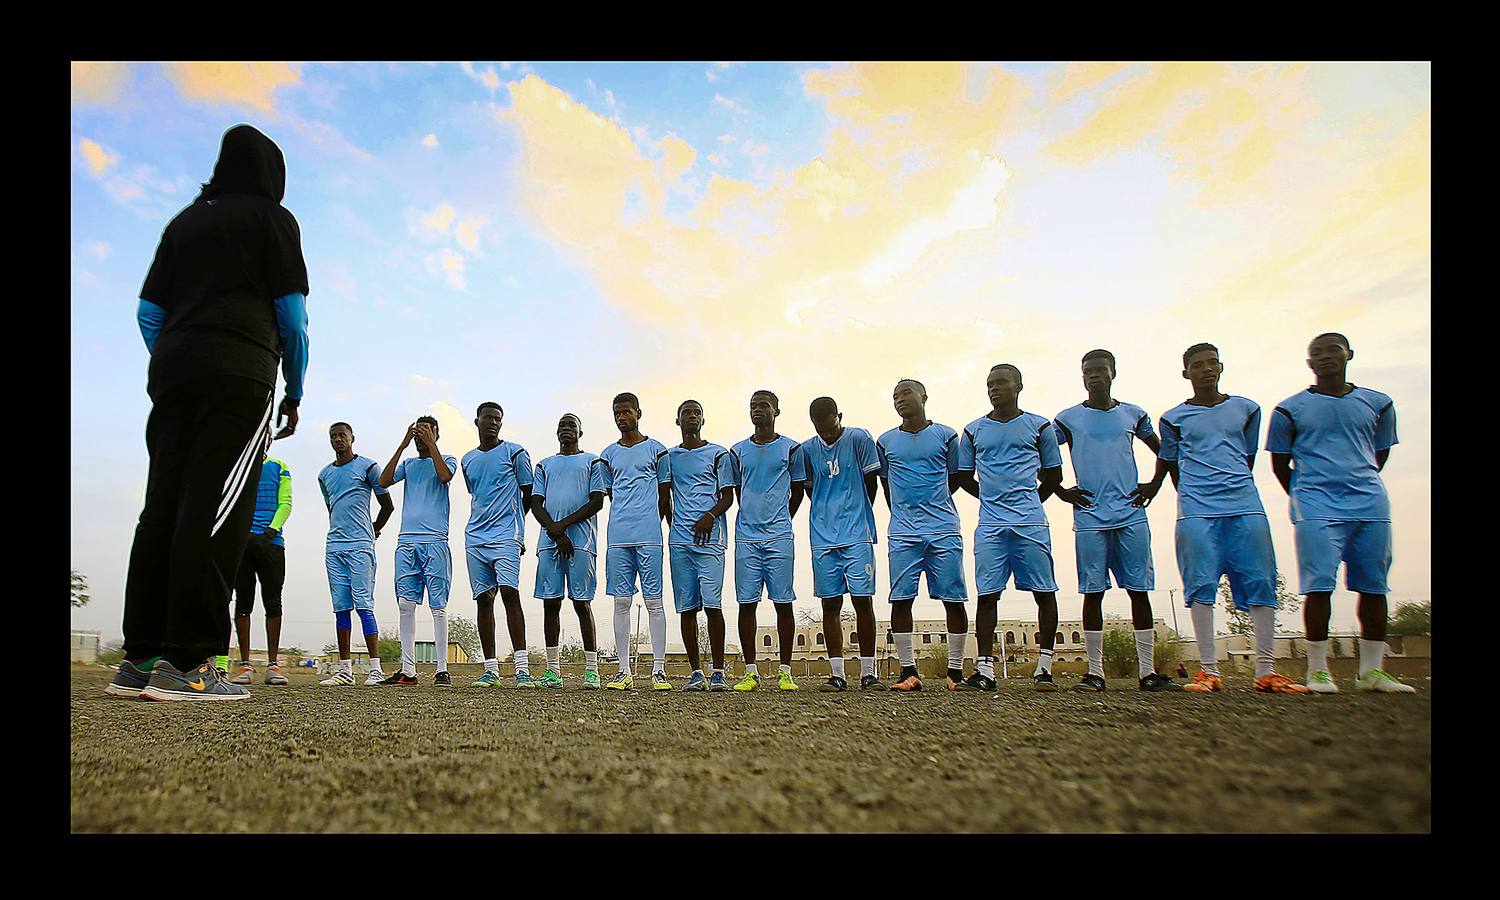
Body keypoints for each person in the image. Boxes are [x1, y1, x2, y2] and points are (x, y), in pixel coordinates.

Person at [112, 124, 309, 702]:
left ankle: (141, 657)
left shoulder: (183, 222)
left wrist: (180, 355)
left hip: (173, 372)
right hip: (240, 373)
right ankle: (191, 661)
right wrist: (293, 390)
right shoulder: (273, 220)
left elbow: (149, 311)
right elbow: (292, 320)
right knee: (218, 507)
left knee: (164, 507)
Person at [1137, 344, 1308, 694]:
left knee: (1261, 581)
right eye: (1197, 365)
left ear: (1221, 366)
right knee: (1200, 585)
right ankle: (1208, 671)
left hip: (1245, 506)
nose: (1205, 369)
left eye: (1211, 363)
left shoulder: (1247, 409)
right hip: (1197, 511)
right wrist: (1177, 492)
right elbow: (1169, 462)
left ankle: (1265, 670)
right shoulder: (1173, 418)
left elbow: (1246, 456)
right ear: (1186, 373)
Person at [1267, 333, 1413, 694]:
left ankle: (1372, 672)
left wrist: (1357, 478)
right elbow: (1279, 464)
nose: (1326, 357)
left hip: (1369, 501)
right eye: (1317, 353)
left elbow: (1379, 454)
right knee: (1319, 585)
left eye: (1333, 350)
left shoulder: (1378, 403)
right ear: (1309, 364)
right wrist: (1307, 493)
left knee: (1374, 585)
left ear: (1349, 354)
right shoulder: (1289, 409)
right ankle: (1317, 670)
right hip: (1315, 504)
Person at [1052, 350, 1181, 692]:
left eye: (1099, 370)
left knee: (1139, 591)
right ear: (1081, 376)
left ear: (1113, 372)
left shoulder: (1133, 414)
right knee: (1092, 592)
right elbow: (1039, 451)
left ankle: (1147, 672)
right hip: (1090, 516)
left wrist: (1154, 484)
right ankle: (1095, 672)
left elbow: (1165, 451)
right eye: (1087, 371)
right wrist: (1061, 491)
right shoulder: (1068, 419)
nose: (1093, 376)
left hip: (1131, 513)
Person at [956, 364, 1072, 692]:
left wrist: (1029, 500)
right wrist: (993, 496)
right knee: (987, 595)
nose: (995, 389)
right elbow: (964, 476)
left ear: (1018, 386)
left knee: (1044, 592)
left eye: (1002, 383)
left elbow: (1054, 476)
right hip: (991, 525)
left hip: (1030, 522)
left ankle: (1044, 668)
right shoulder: (973, 430)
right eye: (990, 384)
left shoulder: (1039, 426)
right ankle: (985, 671)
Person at [877, 379, 968, 693]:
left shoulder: (945, 435)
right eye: (895, 396)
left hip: (943, 528)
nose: (900, 400)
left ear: (923, 397)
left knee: (954, 599)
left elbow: (956, 476)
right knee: (901, 599)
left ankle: (955, 672)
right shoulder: (886, 441)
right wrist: (904, 510)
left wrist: (933, 502)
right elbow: (887, 485)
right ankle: (908, 672)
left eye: (905, 393)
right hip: (903, 532)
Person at [799, 397, 885, 691]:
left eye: (831, 426)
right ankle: (837, 674)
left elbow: (871, 482)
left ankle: (869, 673)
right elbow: (810, 489)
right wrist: (827, 513)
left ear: (840, 417)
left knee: (863, 601)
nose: (827, 433)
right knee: (830, 603)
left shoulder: (859, 438)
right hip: (823, 537)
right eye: (820, 428)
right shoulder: (808, 449)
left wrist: (855, 512)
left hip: (856, 534)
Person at [729, 391, 806, 692]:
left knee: (783, 602)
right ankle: (751, 672)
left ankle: (785, 671)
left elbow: (798, 490)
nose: (758, 410)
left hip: (779, 536)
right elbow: (737, 490)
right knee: (746, 603)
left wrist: (781, 518)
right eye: (753, 406)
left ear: (776, 410)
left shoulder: (791, 448)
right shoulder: (738, 451)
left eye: (763, 405)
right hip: (746, 537)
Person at [598, 393, 673, 691]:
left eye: (626, 412)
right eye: (616, 413)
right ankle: (623, 671)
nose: (621, 417)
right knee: (621, 601)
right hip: (618, 537)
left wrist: (650, 520)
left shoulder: (658, 450)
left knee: (654, 601)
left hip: (649, 536)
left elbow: (664, 493)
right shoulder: (607, 455)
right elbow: (611, 494)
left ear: (638, 413)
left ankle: (658, 670)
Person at [530, 414, 609, 689]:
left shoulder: (592, 461)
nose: (566, 429)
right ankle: (553, 671)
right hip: (550, 541)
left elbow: (597, 501)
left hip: (582, 543)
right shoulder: (544, 465)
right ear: (556, 432)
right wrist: (555, 531)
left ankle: (592, 671)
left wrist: (562, 527)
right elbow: (536, 504)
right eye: (562, 425)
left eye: (571, 425)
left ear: (580, 432)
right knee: (550, 604)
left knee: (581, 603)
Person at [378, 416, 458, 686]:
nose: (420, 436)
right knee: (405, 604)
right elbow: (384, 480)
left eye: (427, 431)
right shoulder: (409, 464)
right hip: (407, 541)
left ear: (436, 434)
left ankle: (442, 669)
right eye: (417, 431)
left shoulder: (447, 459)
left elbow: (444, 476)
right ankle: (408, 670)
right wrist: (402, 444)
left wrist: (431, 443)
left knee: (438, 605)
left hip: (435, 540)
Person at [460, 402, 535, 688]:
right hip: (475, 536)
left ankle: (522, 670)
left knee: (509, 593)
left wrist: (516, 530)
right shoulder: (468, 459)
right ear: (476, 420)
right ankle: (490, 670)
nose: (493, 422)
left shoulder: (515, 452)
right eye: (488, 418)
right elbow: (477, 493)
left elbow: (529, 494)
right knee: (483, 599)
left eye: (498, 419)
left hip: (506, 535)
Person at [317, 422, 394, 686]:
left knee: (363, 605)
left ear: (352, 438)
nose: (338, 439)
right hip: (334, 545)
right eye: (333, 436)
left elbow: (387, 505)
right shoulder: (324, 474)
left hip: (360, 545)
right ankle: (345, 670)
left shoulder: (368, 467)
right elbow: (332, 507)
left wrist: (374, 529)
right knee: (341, 607)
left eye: (342, 435)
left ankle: (375, 668)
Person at [667, 400, 736, 692]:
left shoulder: (718, 454)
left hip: (711, 541)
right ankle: (696, 672)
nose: (692, 416)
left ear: (703, 420)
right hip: (680, 542)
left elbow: (728, 496)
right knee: (686, 608)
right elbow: (663, 495)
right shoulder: (669, 457)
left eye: (697, 412)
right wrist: (675, 523)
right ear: (678, 420)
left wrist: (709, 516)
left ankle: (718, 671)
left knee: (712, 605)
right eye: (686, 413)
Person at [230, 428, 293, 686]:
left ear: (269, 439)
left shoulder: (279, 467)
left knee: (273, 602)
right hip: (242, 544)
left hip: (271, 543)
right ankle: (244, 666)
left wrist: (270, 531)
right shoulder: (238, 466)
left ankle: (273, 665)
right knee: (243, 602)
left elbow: (285, 502)